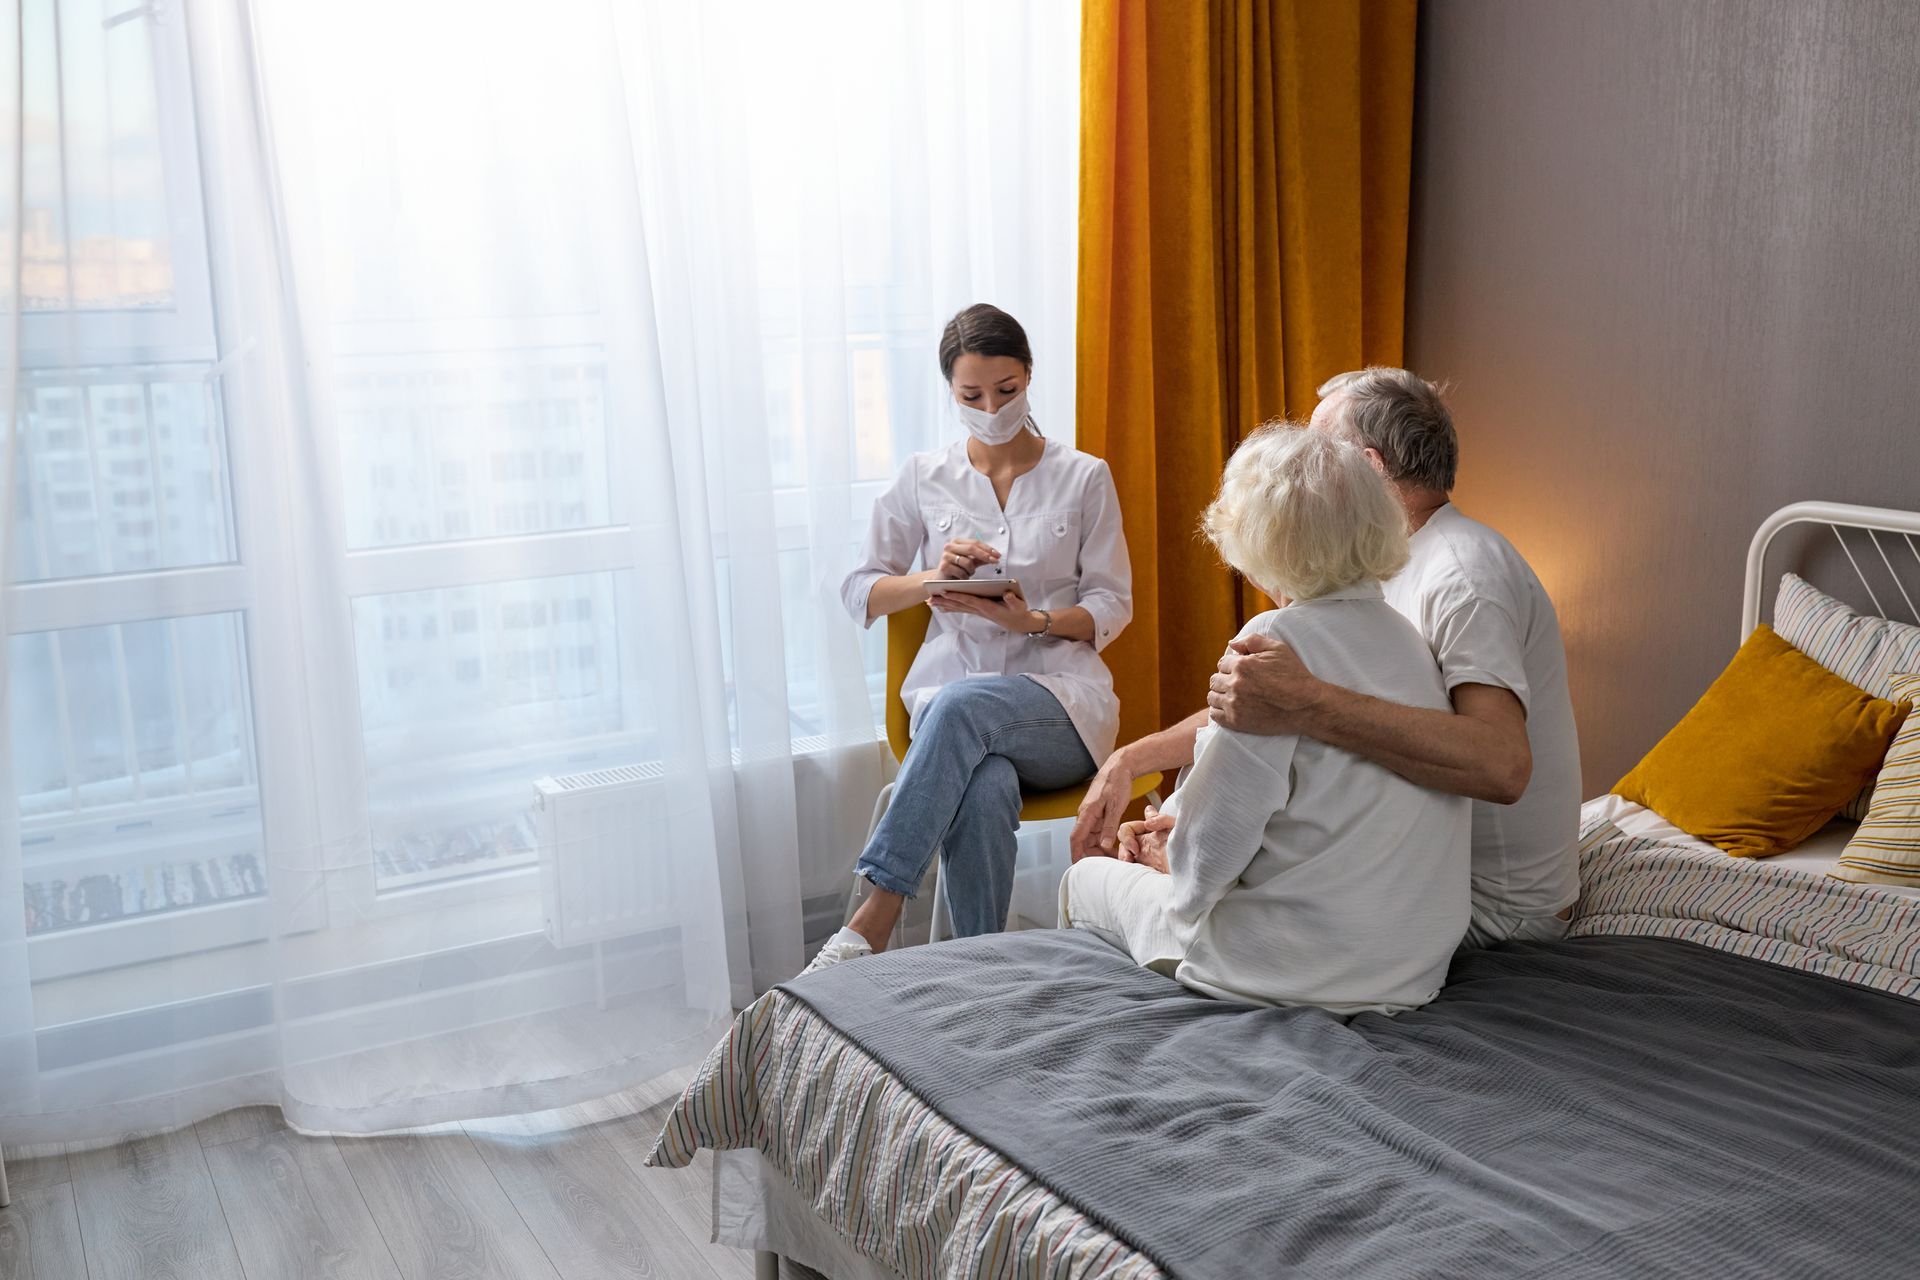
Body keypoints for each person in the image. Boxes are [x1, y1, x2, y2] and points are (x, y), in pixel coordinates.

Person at [1073, 368, 1580, 949]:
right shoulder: (1377, 572)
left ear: (1365, 468)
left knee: (1135, 892)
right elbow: (1266, 700)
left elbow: (1501, 765)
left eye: (1316, 449)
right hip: (1415, 872)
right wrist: (1132, 759)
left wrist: (1307, 703)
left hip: (1491, 909)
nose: (1299, 463)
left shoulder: (1463, 575)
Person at [1060, 424, 1469, 1012]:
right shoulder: (1410, 641)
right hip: (1410, 968)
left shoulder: (1271, 643)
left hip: (1292, 967)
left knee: (1085, 879)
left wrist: (1167, 860)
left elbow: (1208, 861)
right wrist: (1184, 841)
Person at [805, 303, 1132, 972]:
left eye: (1007, 391)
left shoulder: (1083, 477)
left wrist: (1033, 621)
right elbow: (858, 589)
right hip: (955, 709)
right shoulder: (924, 477)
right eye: (972, 395)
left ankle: (876, 913)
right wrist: (932, 578)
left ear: (1030, 377)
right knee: (982, 785)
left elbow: (1112, 604)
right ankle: (982, 975)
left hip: (1059, 707)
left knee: (962, 708)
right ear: (950, 392)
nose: (992, 406)